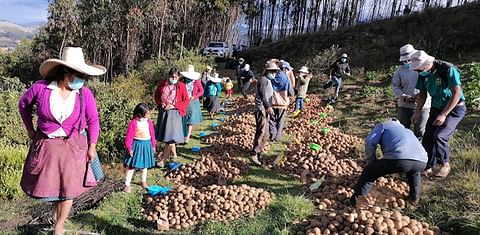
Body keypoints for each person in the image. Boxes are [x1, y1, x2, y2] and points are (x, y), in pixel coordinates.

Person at [18, 47, 105, 235]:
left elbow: (94, 120)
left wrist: (92, 146)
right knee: (53, 188)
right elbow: (23, 104)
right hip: (48, 146)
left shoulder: (84, 94)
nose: (83, 79)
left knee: (69, 190)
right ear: (66, 73)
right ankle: (57, 219)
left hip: (73, 146)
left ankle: (59, 227)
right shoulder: (41, 89)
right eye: (79, 75)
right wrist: (30, 130)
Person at [410, 50, 466, 178]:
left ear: (427, 64)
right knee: (428, 136)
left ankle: (444, 165)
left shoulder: (447, 69)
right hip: (436, 108)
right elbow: (423, 93)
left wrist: (444, 114)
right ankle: (428, 166)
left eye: (419, 70)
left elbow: (456, 93)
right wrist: (417, 112)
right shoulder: (423, 73)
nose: (418, 72)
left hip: (454, 108)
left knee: (440, 136)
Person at [350, 119, 428, 206]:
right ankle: (414, 198)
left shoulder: (383, 126)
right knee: (414, 173)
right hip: (422, 161)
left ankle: (358, 200)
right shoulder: (408, 131)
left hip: (399, 159)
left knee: (370, 171)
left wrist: (371, 161)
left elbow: (370, 142)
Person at [391, 44, 431, 140]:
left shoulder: (425, 68)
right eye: (405, 60)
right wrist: (403, 96)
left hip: (423, 106)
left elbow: (430, 85)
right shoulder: (401, 70)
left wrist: (421, 94)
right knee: (402, 132)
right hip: (405, 105)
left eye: (409, 59)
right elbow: (394, 85)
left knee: (420, 132)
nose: (407, 62)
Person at [154, 68, 189, 167]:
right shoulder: (162, 84)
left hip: (174, 113)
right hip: (164, 113)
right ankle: (174, 155)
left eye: (175, 77)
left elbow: (186, 100)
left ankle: (163, 161)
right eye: (171, 77)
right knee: (167, 136)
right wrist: (161, 104)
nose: (173, 79)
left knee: (170, 138)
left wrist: (174, 106)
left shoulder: (181, 86)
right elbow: (156, 96)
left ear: (178, 77)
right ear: (168, 76)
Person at [123, 103, 156, 193]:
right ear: (140, 114)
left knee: (144, 165)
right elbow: (129, 137)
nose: (149, 115)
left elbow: (152, 134)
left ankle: (143, 181)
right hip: (136, 145)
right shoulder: (133, 123)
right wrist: (129, 148)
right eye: (147, 113)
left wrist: (153, 145)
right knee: (131, 166)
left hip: (146, 145)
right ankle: (127, 184)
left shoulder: (148, 122)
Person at [250, 61, 276, 165]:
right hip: (261, 109)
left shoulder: (267, 80)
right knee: (261, 132)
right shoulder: (263, 80)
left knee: (266, 133)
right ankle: (254, 153)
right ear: (268, 71)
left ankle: (259, 152)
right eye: (273, 72)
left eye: (275, 72)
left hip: (264, 109)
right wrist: (268, 106)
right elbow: (262, 95)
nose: (274, 74)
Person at [268, 59, 292, 141]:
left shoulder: (272, 77)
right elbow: (290, 91)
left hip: (272, 101)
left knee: (271, 119)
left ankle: (272, 134)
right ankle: (277, 137)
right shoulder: (286, 78)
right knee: (280, 120)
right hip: (283, 102)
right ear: (284, 69)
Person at [180, 65, 203, 143]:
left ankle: (187, 136)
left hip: (193, 102)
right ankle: (183, 135)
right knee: (183, 119)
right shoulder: (182, 81)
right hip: (184, 102)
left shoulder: (196, 82)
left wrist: (194, 96)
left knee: (191, 120)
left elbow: (201, 91)